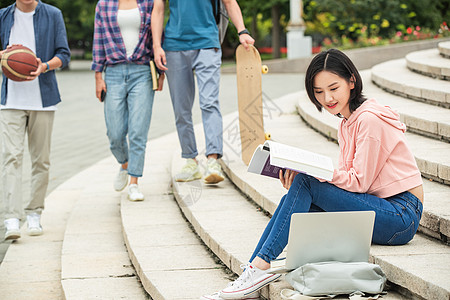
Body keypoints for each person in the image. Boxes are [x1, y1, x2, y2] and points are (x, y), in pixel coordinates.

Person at [202, 49, 424, 299]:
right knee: (298, 199)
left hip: (401, 216)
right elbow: (349, 177)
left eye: (333, 88)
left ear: (352, 81)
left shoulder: (369, 120)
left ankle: (261, 267)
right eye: (319, 92)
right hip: (380, 208)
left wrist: (319, 174)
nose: (327, 97)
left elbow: (359, 183)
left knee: (307, 183)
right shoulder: (347, 123)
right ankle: (255, 268)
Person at [151, 0, 255, 184]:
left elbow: (230, 2)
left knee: (209, 102)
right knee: (181, 108)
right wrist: (157, 46)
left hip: (207, 42)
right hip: (174, 45)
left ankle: (213, 160)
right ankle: (190, 161)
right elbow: (158, 10)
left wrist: (242, 30)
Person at [0, 0, 70, 240]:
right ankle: (10, 219)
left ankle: (34, 214)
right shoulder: (3, 16)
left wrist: (45, 66)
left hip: (43, 100)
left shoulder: (53, 14)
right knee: (11, 158)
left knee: (41, 161)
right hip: (11, 102)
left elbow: (64, 54)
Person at [92, 0, 165, 201]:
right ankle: (124, 164)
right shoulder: (104, 4)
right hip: (113, 72)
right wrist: (98, 77)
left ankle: (134, 182)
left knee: (138, 131)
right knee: (114, 133)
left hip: (142, 71)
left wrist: (160, 73)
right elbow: (98, 41)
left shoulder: (149, 3)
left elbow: (158, 36)